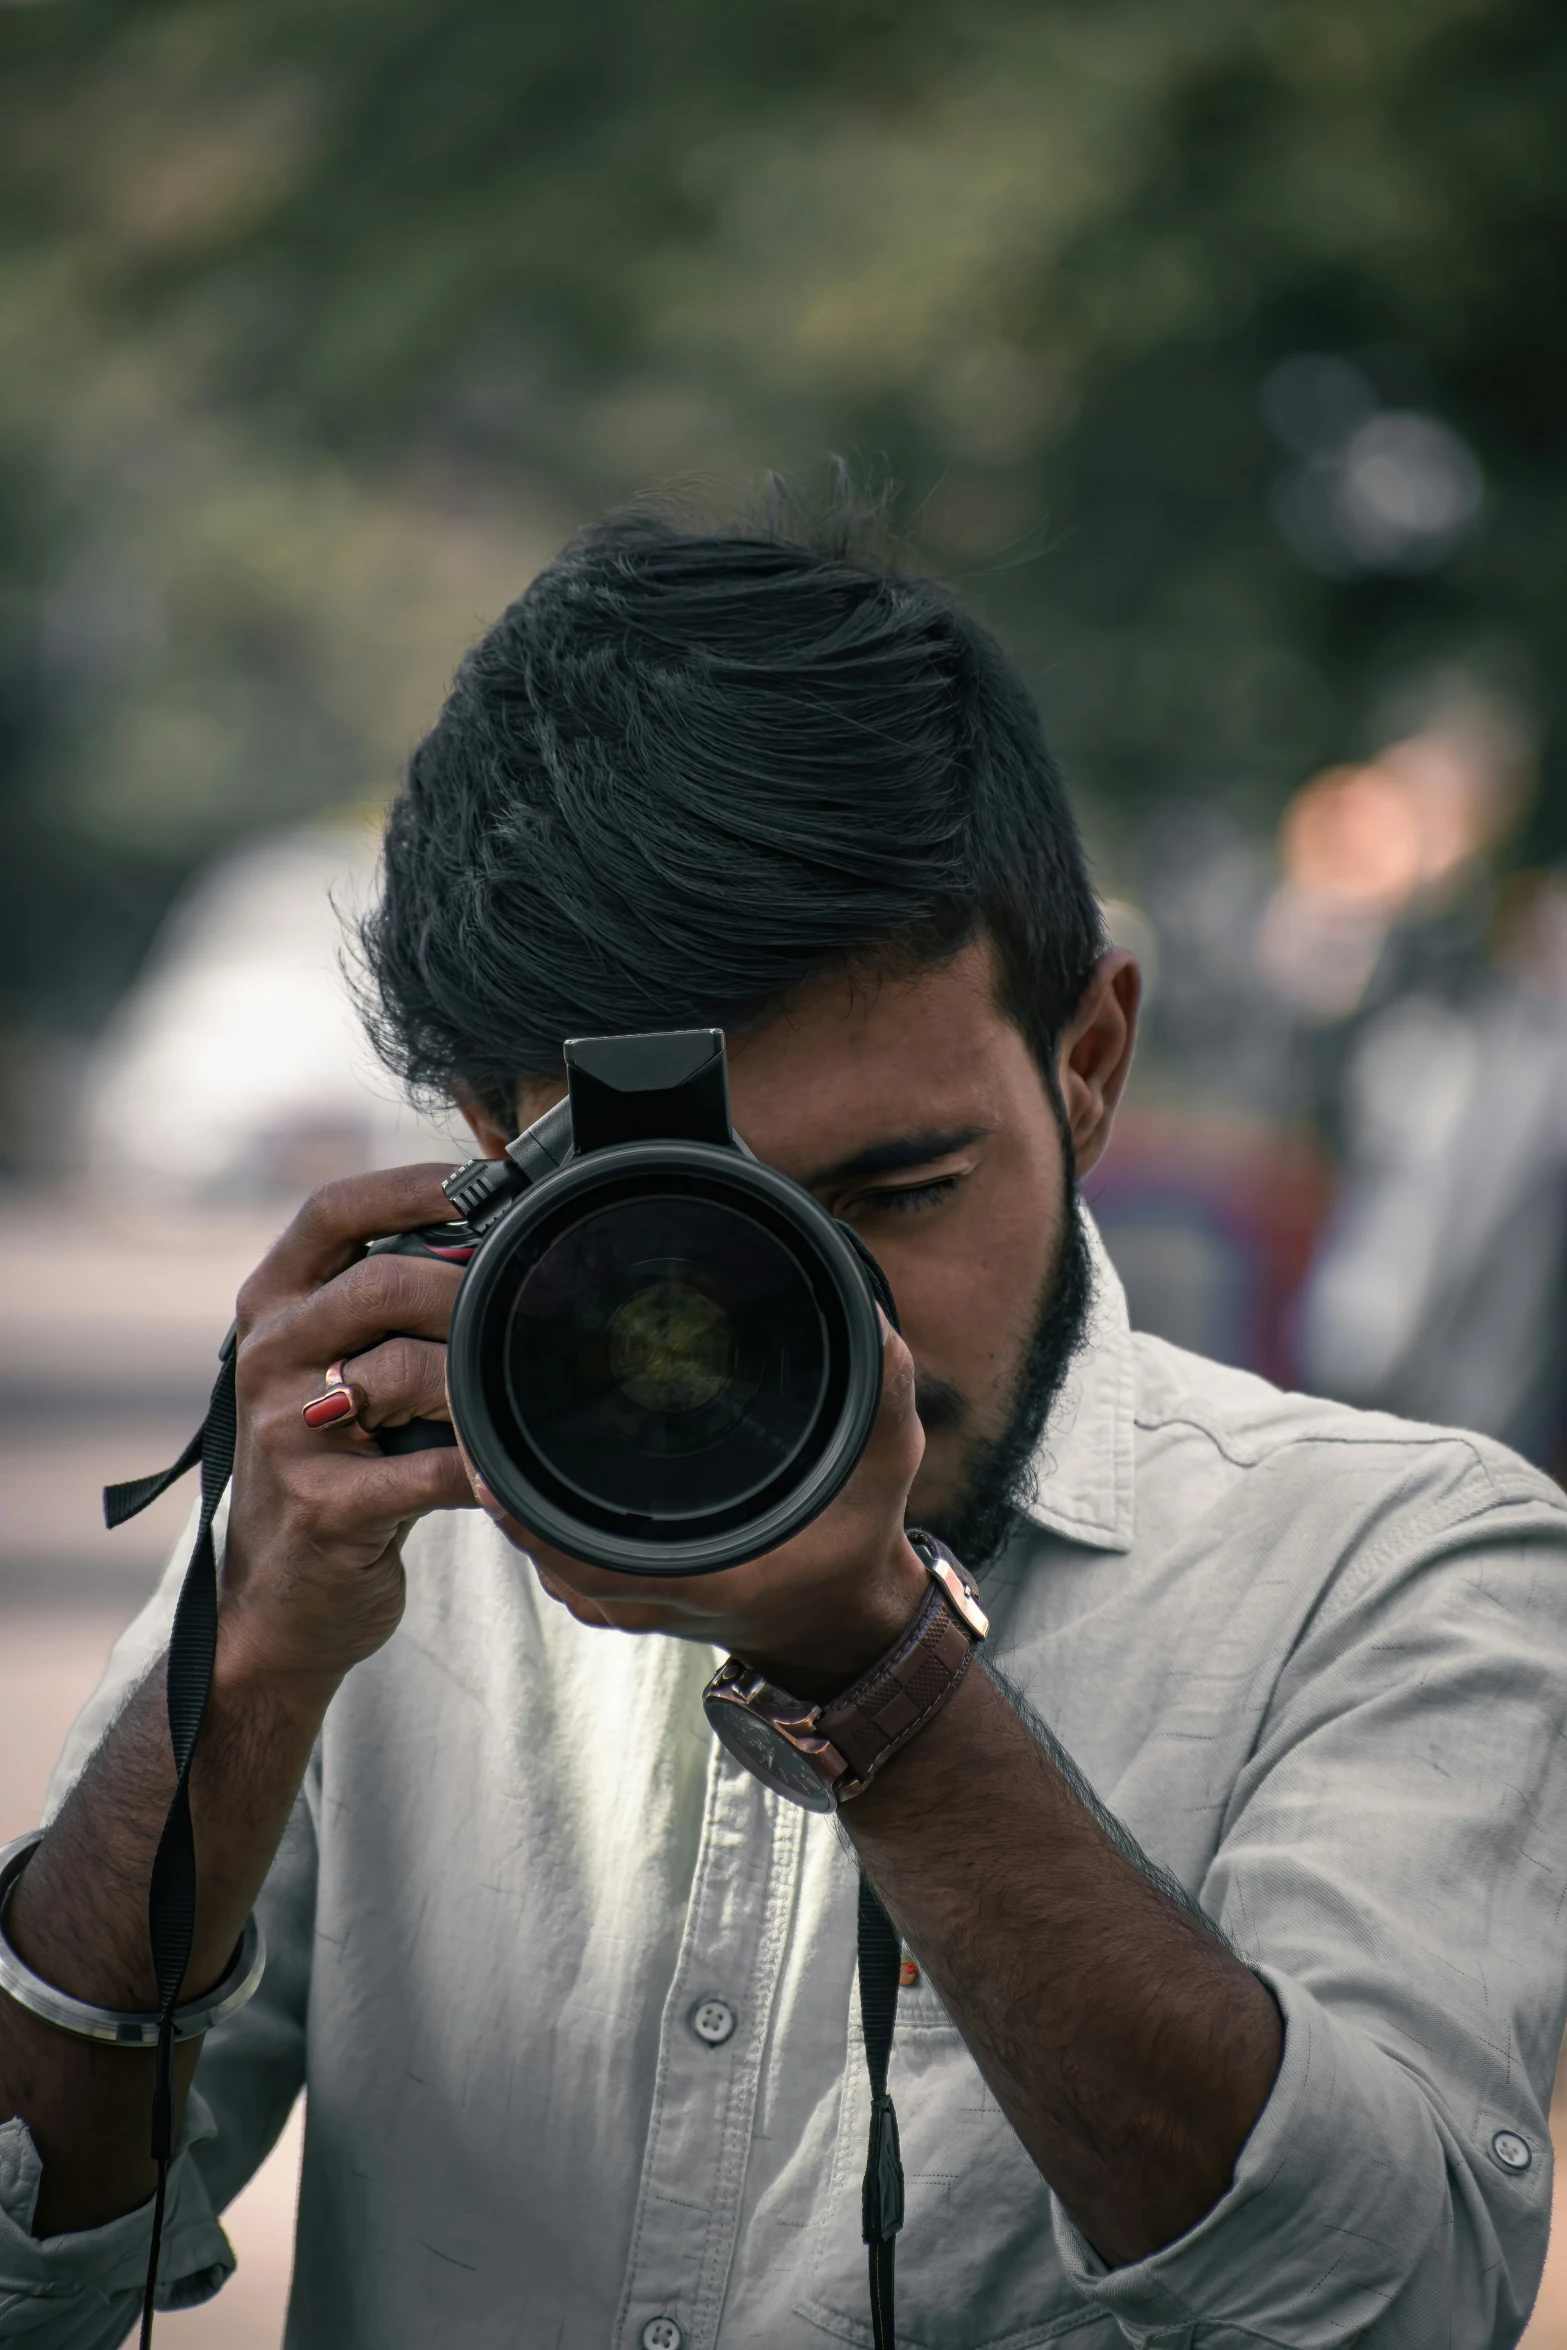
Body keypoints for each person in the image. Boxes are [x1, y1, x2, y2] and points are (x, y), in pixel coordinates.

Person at [2, 510, 1566, 2350]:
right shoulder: (367, 1539)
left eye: (894, 1188)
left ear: (1086, 1060)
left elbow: (1390, 2303)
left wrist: (885, 1679)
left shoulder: (1399, 1563)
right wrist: (241, 1673)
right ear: (475, 1146)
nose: (835, 1338)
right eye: (685, 1234)